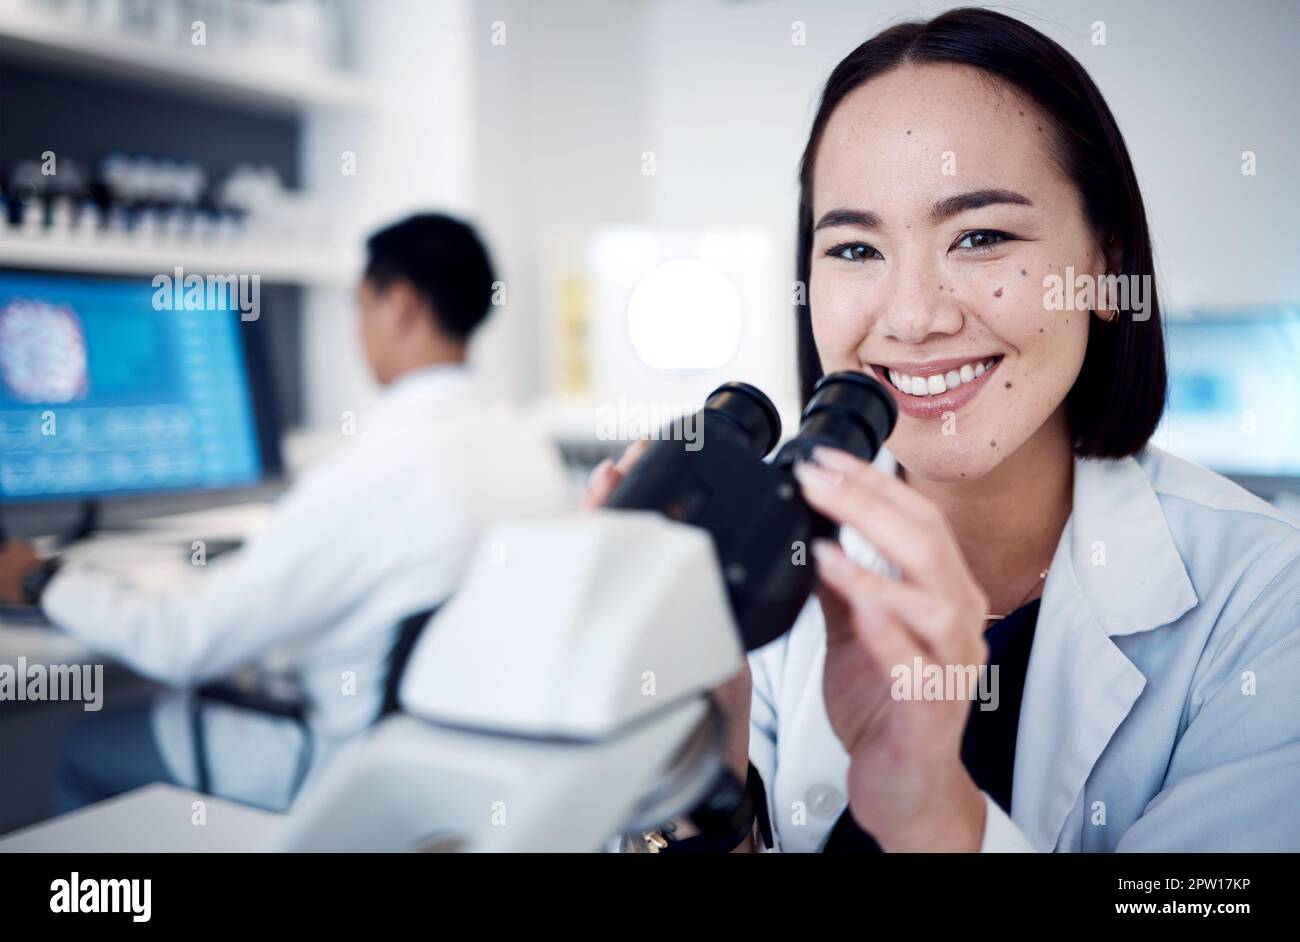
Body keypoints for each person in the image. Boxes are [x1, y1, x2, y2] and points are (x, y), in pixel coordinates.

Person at [589, 8, 1300, 852]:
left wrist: (936, 817)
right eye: (855, 250)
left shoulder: (1264, 605)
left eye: (983, 235)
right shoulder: (774, 574)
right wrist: (695, 784)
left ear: (1108, 268)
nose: (915, 316)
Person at [0, 213, 569, 813]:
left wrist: (42, 580)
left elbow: (187, 642)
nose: (356, 333)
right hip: (452, 757)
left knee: (87, 749)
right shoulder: (525, 445)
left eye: (360, 305)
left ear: (398, 305)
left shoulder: (369, 474)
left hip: (334, 762)